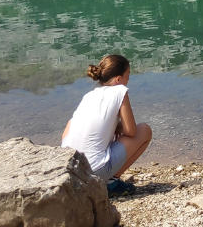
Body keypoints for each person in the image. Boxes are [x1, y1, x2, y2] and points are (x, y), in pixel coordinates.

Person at [61, 53, 153, 197]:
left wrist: (115, 127)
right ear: (118, 79)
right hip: (94, 172)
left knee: (72, 123)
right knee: (145, 130)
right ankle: (111, 183)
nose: (128, 79)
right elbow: (131, 131)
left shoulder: (89, 96)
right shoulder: (120, 91)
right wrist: (120, 127)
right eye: (128, 75)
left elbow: (71, 125)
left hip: (69, 169)